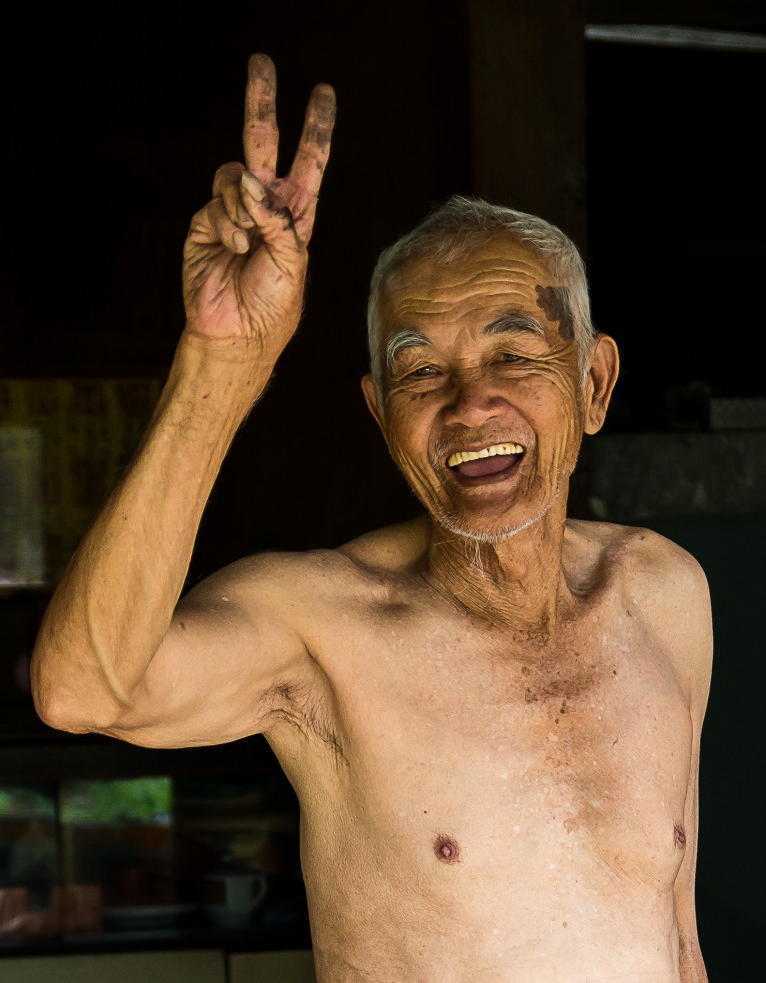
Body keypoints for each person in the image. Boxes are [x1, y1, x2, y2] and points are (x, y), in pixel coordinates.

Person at [31, 55, 712, 983]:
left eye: (513, 352)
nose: (471, 404)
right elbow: (84, 689)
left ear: (594, 383)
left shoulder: (666, 596)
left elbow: (676, 935)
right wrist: (222, 363)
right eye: (421, 370)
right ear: (380, 415)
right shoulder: (324, 631)